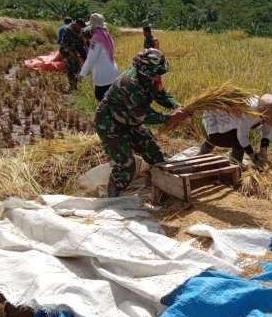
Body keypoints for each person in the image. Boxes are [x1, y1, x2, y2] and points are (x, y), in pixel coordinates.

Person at [95, 48, 188, 197]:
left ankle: (163, 189)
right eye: (157, 73)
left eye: (161, 72)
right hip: (111, 125)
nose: (160, 76)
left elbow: (161, 94)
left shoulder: (152, 78)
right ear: (145, 71)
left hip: (131, 122)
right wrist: (171, 118)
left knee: (156, 156)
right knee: (125, 166)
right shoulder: (129, 83)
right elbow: (144, 115)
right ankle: (113, 198)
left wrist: (175, 104)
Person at [199, 93, 272, 166]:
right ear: (263, 112)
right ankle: (235, 165)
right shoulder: (251, 110)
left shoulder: (270, 112)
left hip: (232, 120)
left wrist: (263, 149)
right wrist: (252, 156)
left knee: (233, 138)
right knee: (226, 139)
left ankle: (201, 155)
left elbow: (267, 130)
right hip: (214, 117)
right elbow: (241, 135)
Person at [79, 13, 119, 101]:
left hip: (103, 75)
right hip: (113, 73)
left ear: (93, 26)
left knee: (101, 98)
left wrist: (82, 74)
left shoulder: (96, 39)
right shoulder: (107, 36)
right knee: (111, 100)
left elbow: (90, 59)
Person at [59, 17, 87, 92]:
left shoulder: (78, 30)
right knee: (71, 68)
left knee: (78, 68)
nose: (81, 28)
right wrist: (70, 52)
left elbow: (81, 41)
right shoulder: (67, 29)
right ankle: (72, 87)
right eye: (80, 26)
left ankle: (78, 86)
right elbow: (63, 43)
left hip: (73, 50)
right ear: (76, 24)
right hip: (66, 51)